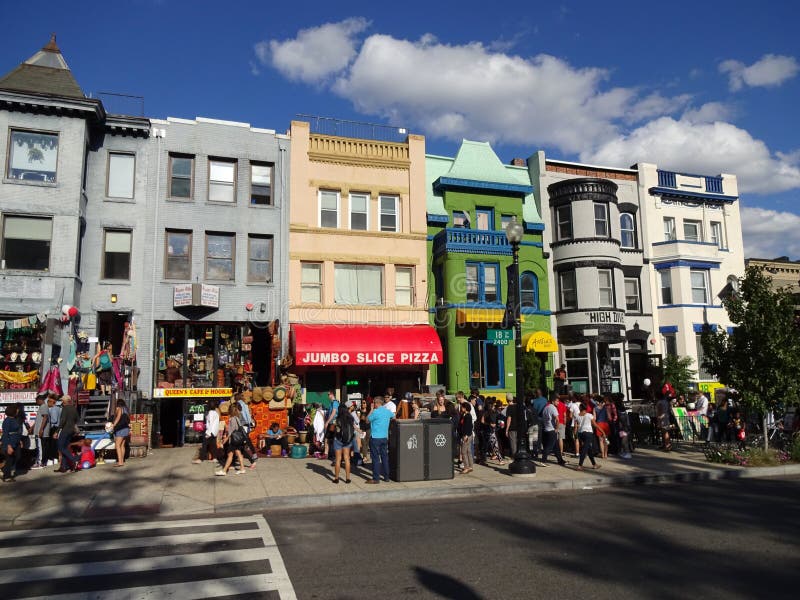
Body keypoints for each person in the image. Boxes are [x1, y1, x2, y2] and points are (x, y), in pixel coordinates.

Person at [365, 396, 392, 484]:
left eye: (374, 403)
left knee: (376, 459)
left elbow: (367, 420)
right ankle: (386, 477)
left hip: (375, 438)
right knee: (385, 457)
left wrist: (371, 409)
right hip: (384, 437)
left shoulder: (375, 412)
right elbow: (393, 416)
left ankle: (376, 478)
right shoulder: (387, 411)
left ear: (377, 403)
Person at [216, 403, 247, 476]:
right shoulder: (237, 418)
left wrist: (224, 441)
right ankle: (242, 468)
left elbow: (231, 432)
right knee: (239, 454)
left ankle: (224, 470)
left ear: (231, 410)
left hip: (234, 440)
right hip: (238, 440)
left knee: (230, 455)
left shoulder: (232, 419)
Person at [541, 394, 567, 466]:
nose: (558, 403)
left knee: (556, 447)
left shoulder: (546, 408)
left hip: (547, 429)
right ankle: (543, 460)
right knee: (549, 446)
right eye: (557, 401)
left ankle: (560, 460)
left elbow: (543, 419)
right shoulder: (553, 408)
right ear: (553, 401)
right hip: (552, 430)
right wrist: (556, 428)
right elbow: (557, 419)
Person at [574, 403, 602, 470]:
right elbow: (595, 425)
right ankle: (580, 465)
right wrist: (602, 431)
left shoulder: (577, 416)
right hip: (588, 433)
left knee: (589, 449)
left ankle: (594, 464)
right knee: (585, 449)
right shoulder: (589, 415)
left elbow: (575, 427)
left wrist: (575, 434)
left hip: (581, 434)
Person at [55, 395, 78, 473]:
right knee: (65, 448)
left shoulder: (65, 408)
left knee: (60, 447)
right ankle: (63, 467)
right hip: (72, 430)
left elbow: (63, 421)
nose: (62, 402)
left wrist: (57, 431)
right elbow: (77, 419)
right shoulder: (74, 408)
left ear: (65, 401)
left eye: (62, 400)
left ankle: (74, 459)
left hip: (65, 430)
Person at [332, 404, 355, 483]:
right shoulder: (351, 418)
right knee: (346, 458)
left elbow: (333, 430)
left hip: (338, 440)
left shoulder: (337, 419)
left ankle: (336, 478)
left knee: (338, 459)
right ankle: (348, 478)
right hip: (348, 441)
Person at [194, 399, 220, 464]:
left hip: (210, 432)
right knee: (213, 445)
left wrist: (208, 433)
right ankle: (214, 458)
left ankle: (201, 458)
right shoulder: (216, 413)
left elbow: (210, 424)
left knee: (204, 445)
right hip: (214, 432)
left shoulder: (210, 413)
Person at [2, 404, 23, 482]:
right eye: (16, 409)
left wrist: (20, 440)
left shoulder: (14, 419)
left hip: (16, 441)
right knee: (9, 459)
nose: (18, 410)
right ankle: (6, 476)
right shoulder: (7, 421)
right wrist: (8, 446)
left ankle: (4, 469)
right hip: (10, 442)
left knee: (18, 456)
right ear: (12, 411)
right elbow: (5, 434)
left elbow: (17, 431)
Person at [236, 396, 258, 468]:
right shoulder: (245, 404)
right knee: (246, 442)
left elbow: (244, 418)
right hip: (246, 425)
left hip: (243, 426)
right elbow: (248, 415)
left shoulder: (239, 405)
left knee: (244, 443)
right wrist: (249, 423)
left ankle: (252, 458)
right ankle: (253, 455)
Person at [111, 398, 130, 467]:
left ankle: (120, 462)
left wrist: (113, 425)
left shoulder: (119, 408)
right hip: (126, 429)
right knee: (122, 445)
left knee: (117, 445)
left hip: (121, 429)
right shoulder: (126, 409)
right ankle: (122, 460)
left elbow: (118, 418)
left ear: (118, 404)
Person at [31, 394, 48, 470]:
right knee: (39, 447)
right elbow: (39, 420)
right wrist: (32, 427)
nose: (36, 402)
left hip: (40, 431)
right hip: (38, 430)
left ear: (40, 400)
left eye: (36, 401)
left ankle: (40, 463)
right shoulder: (42, 407)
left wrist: (41, 429)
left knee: (40, 447)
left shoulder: (44, 406)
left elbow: (45, 417)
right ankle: (38, 461)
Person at [458, 401, 474, 474]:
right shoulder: (465, 415)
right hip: (467, 435)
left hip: (466, 436)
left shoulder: (468, 416)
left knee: (463, 451)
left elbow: (468, 427)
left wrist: (465, 436)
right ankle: (470, 466)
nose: (461, 408)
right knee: (468, 451)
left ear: (465, 408)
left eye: (462, 407)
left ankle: (466, 467)